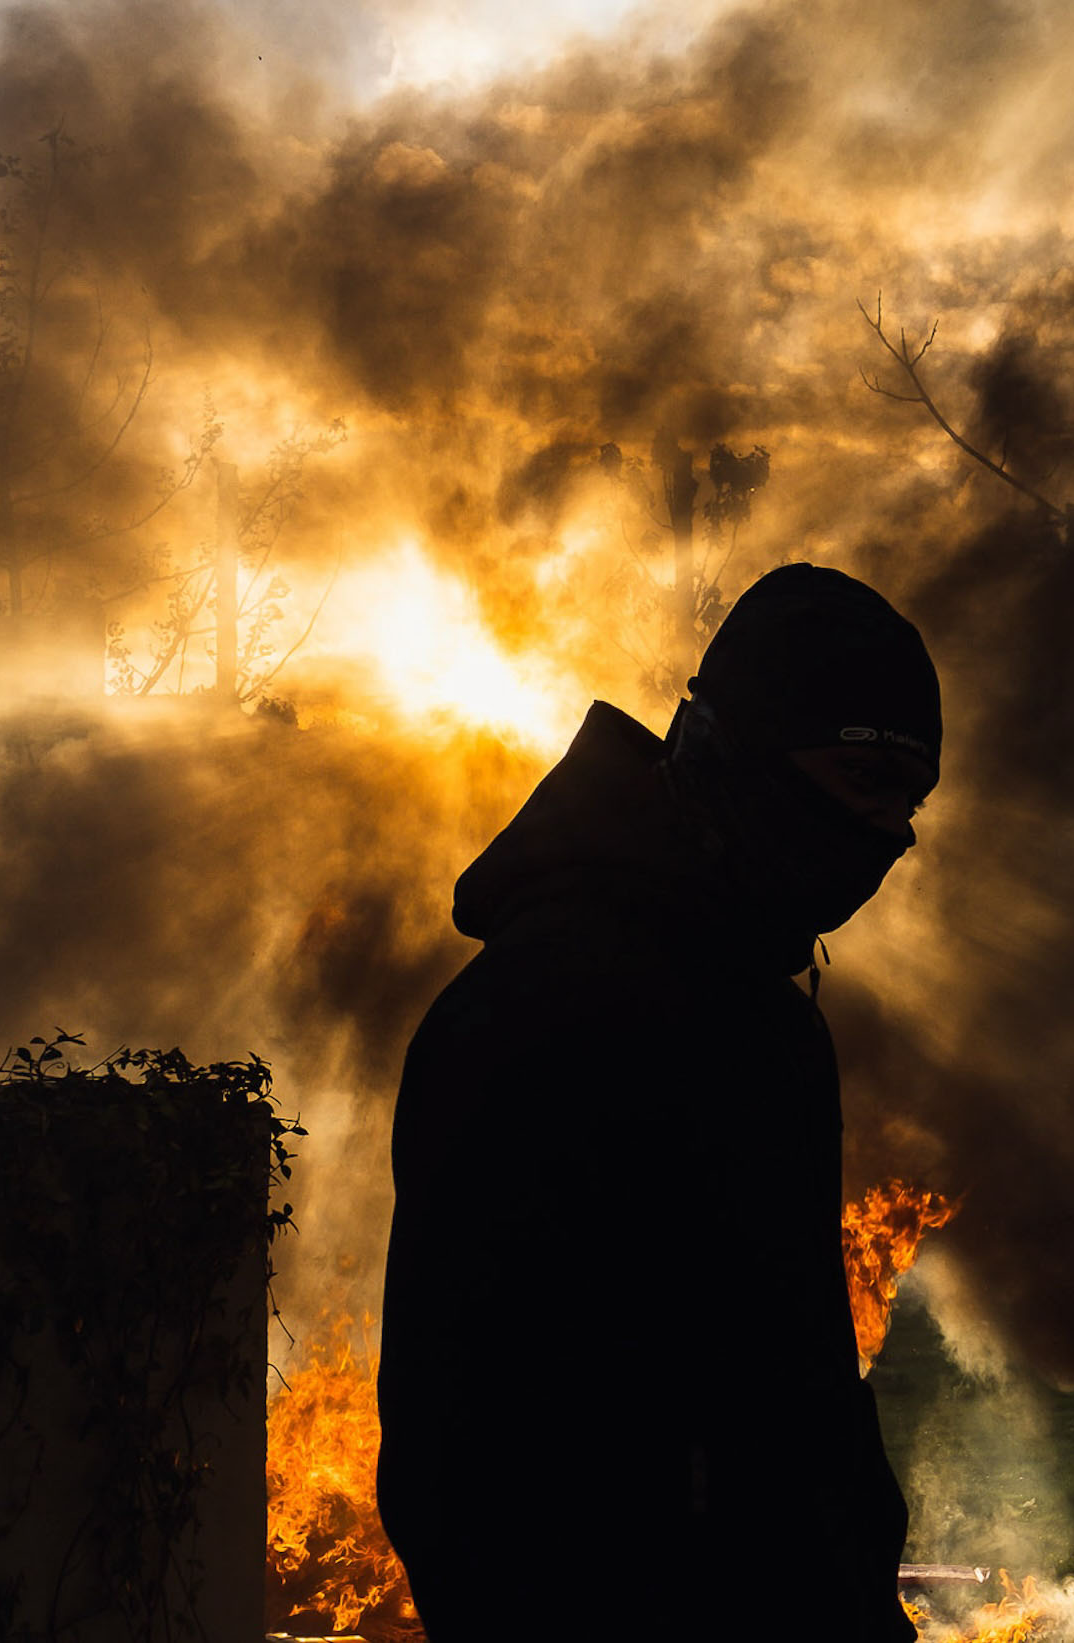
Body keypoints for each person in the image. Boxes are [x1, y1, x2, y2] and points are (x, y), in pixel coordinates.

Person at [378, 564, 938, 1643]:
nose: (890, 833)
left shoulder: (759, 1018)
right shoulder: (547, 1008)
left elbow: (796, 1402)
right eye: (864, 775)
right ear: (745, 750)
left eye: (908, 801)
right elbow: (467, 1448)